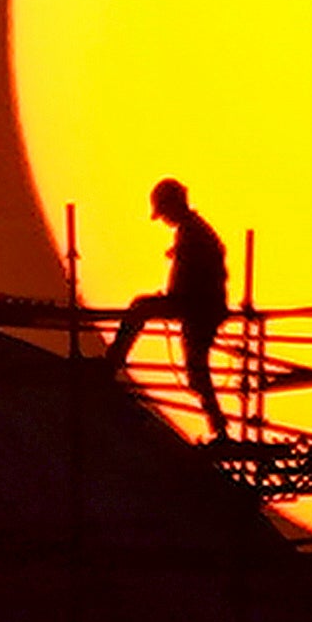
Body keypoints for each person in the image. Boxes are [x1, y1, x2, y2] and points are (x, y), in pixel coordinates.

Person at [109, 176, 233, 435]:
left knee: (140, 308)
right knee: (196, 371)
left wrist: (171, 295)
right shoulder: (193, 230)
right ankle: (219, 426)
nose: (164, 219)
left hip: (196, 306)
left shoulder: (193, 232)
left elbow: (196, 275)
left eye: (164, 212)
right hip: (199, 306)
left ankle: (111, 363)